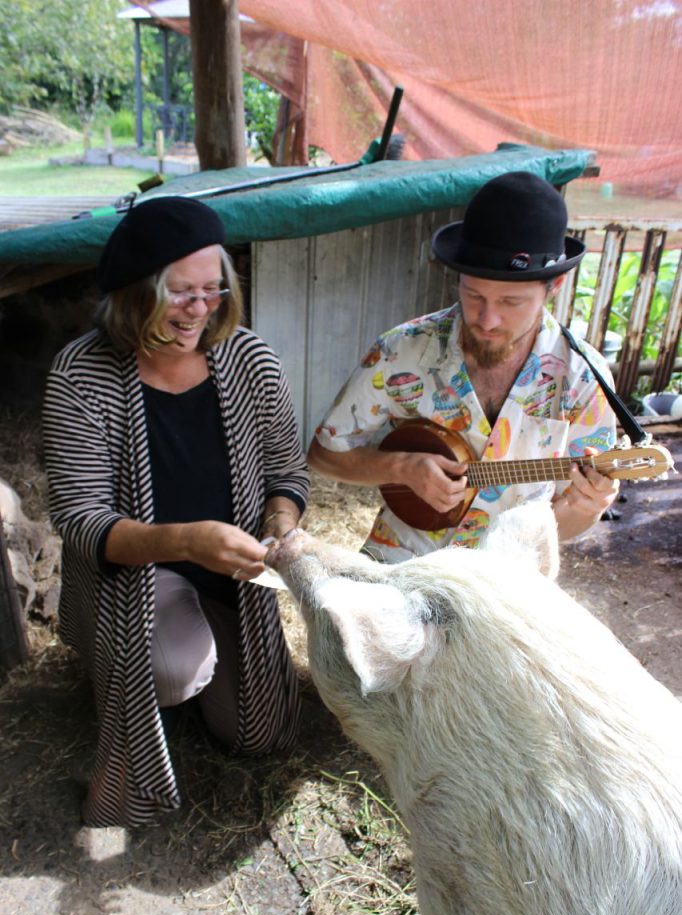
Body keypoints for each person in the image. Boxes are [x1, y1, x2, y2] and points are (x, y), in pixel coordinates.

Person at [43, 196, 310, 827]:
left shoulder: (249, 359)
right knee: (170, 671)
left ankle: (205, 638)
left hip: (231, 574)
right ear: (136, 294)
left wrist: (282, 524)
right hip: (138, 574)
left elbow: (286, 472)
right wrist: (188, 542)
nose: (200, 310)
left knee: (261, 734)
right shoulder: (82, 374)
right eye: (180, 294)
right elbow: (81, 522)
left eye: (213, 291)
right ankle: (131, 661)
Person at [308, 171, 619, 562]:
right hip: (400, 567)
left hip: (502, 586)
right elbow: (324, 455)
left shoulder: (583, 379)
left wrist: (587, 506)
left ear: (554, 284)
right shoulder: (400, 351)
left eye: (510, 302)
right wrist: (401, 467)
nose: (487, 319)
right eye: (473, 294)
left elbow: (563, 527)